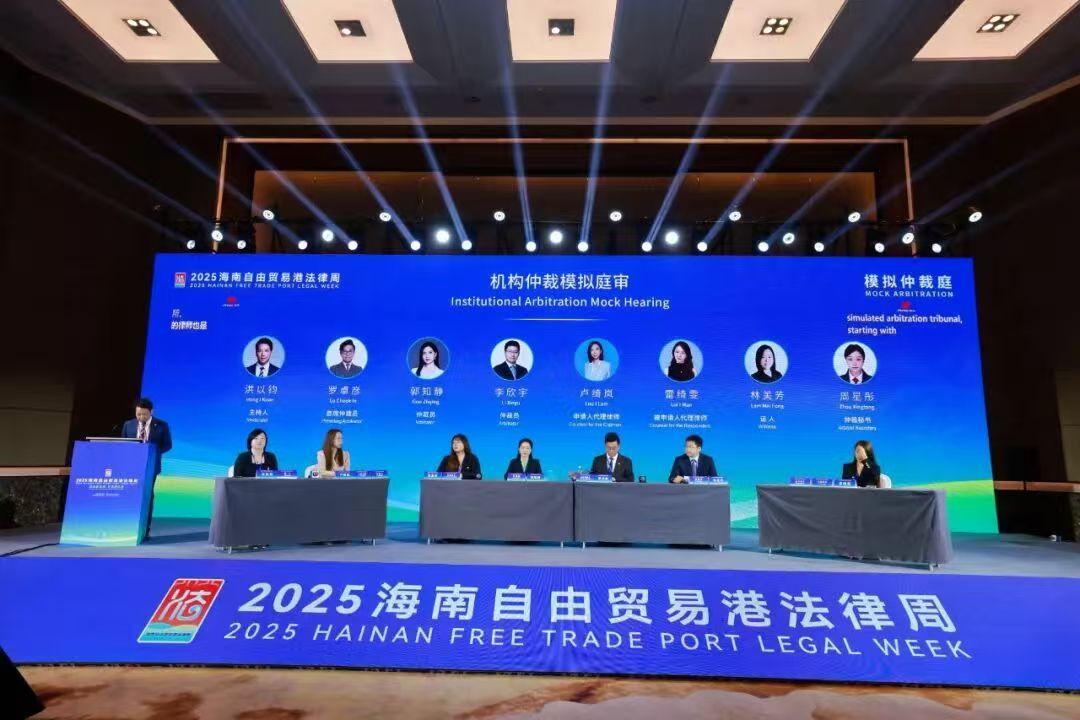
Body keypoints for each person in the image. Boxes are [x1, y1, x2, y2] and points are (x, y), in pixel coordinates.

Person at [120, 397, 172, 541]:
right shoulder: (128, 425)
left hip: (150, 467)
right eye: (138, 414)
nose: (141, 417)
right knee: (129, 495)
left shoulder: (161, 425)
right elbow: (123, 444)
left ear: (151, 412)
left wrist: (152, 452)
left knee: (147, 496)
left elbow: (167, 445)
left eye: (144, 414)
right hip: (130, 467)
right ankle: (126, 527)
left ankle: (145, 529)